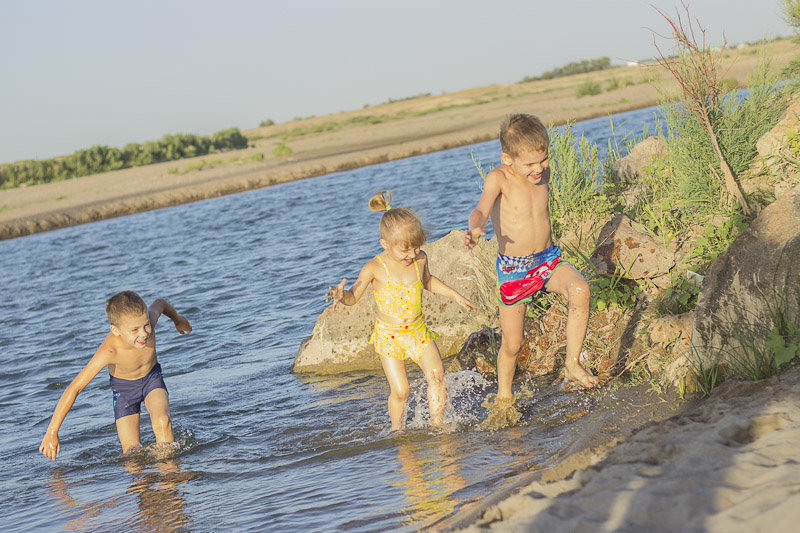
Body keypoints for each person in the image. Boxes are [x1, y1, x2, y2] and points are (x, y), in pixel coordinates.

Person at [464, 113, 599, 406]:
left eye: (543, 160)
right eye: (529, 164)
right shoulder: (499, 178)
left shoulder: (541, 173)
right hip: (515, 270)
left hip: (547, 260)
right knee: (513, 344)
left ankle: (572, 363)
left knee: (580, 289)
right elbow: (481, 209)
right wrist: (475, 228)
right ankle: (504, 396)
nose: (538, 169)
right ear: (507, 158)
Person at [327, 191, 474, 430]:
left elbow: (427, 281)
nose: (411, 255)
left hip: (417, 330)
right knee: (401, 390)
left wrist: (455, 295)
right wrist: (340, 295)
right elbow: (353, 296)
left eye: (416, 248)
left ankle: (438, 427)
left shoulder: (420, 258)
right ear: (385, 244)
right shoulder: (375, 267)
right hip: (389, 336)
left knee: (437, 374)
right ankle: (397, 432)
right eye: (405, 250)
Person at [39, 291, 192, 459]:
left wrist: (177, 319)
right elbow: (75, 388)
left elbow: (161, 303)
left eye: (146, 325)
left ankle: (169, 477)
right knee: (132, 453)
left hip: (151, 379)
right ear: (115, 330)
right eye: (134, 330)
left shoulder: (149, 322)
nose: (143, 334)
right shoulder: (109, 350)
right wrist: (52, 432)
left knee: (163, 421)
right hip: (124, 392)